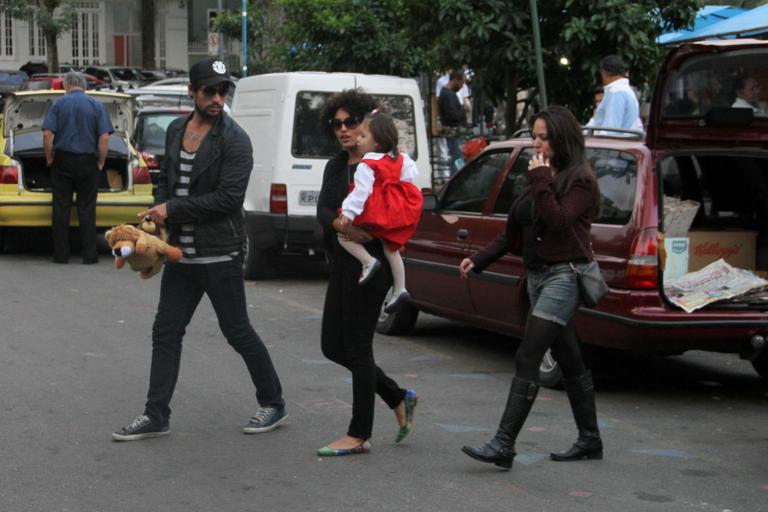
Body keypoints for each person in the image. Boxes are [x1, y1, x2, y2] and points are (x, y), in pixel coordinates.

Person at [112, 57, 287, 441]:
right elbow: (165, 180)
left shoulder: (236, 140)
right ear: (192, 91)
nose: (217, 98)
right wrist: (158, 217)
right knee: (166, 332)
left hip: (219, 255)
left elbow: (227, 199)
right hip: (179, 256)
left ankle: (273, 401)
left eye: (223, 91)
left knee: (237, 331)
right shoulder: (176, 130)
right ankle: (156, 414)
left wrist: (172, 208)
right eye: (209, 90)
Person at [459, 105, 603, 470]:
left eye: (543, 137)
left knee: (528, 355)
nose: (536, 143)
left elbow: (559, 220)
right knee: (569, 356)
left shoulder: (580, 179)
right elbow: (514, 232)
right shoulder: (539, 175)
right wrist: (479, 259)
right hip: (537, 276)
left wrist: (541, 179)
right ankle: (590, 439)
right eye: (534, 135)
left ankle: (504, 444)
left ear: (562, 139)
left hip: (565, 276)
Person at [316, 89, 418, 456]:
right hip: (342, 260)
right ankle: (397, 396)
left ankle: (359, 434)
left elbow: (402, 210)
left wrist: (369, 232)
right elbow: (325, 210)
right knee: (332, 345)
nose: (343, 130)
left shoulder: (385, 166)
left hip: (372, 265)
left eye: (350, 123)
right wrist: (342, 228)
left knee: (358, 346)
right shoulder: (335, 166)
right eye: (336, 124)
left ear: (367, 125)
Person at [337, 110, 423, 314]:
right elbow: (411, 178)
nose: (359, 139)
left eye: (364, 136)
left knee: (343, 236)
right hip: (396, 211)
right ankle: (400, 288)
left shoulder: (367, 163)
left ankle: (368, 262)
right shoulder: (403, 159)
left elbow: (361, 191)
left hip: (375, 211)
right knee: (391, 248)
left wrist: (348, 212)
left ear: (377, 142)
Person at [42, 71, 112, 264]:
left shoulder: (57, 104)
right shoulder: (96, 105)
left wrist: (49, 158)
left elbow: (48, 134)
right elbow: (104, 137)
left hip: (62, 161)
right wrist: (101, 162)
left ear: (65, 86)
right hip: (87, 162)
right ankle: (90, 254)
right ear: (85, 86)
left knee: (61, 208)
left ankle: (61, 255)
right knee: (87, 209)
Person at [588, 55, 643, 135]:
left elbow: (610, 131)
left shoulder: (615, 92)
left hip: (611, 144)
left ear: (604, 73)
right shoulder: (626, 90)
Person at [438, 70, 468, 176]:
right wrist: (464, 109)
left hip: (453, 132)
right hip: (454, 132)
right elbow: (453, 116)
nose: (461, 86)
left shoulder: (447, 93)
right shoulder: (448, 94)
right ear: (455, 80)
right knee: (457, 159)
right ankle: (457, 180)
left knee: (457, 158)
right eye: (461, 83)